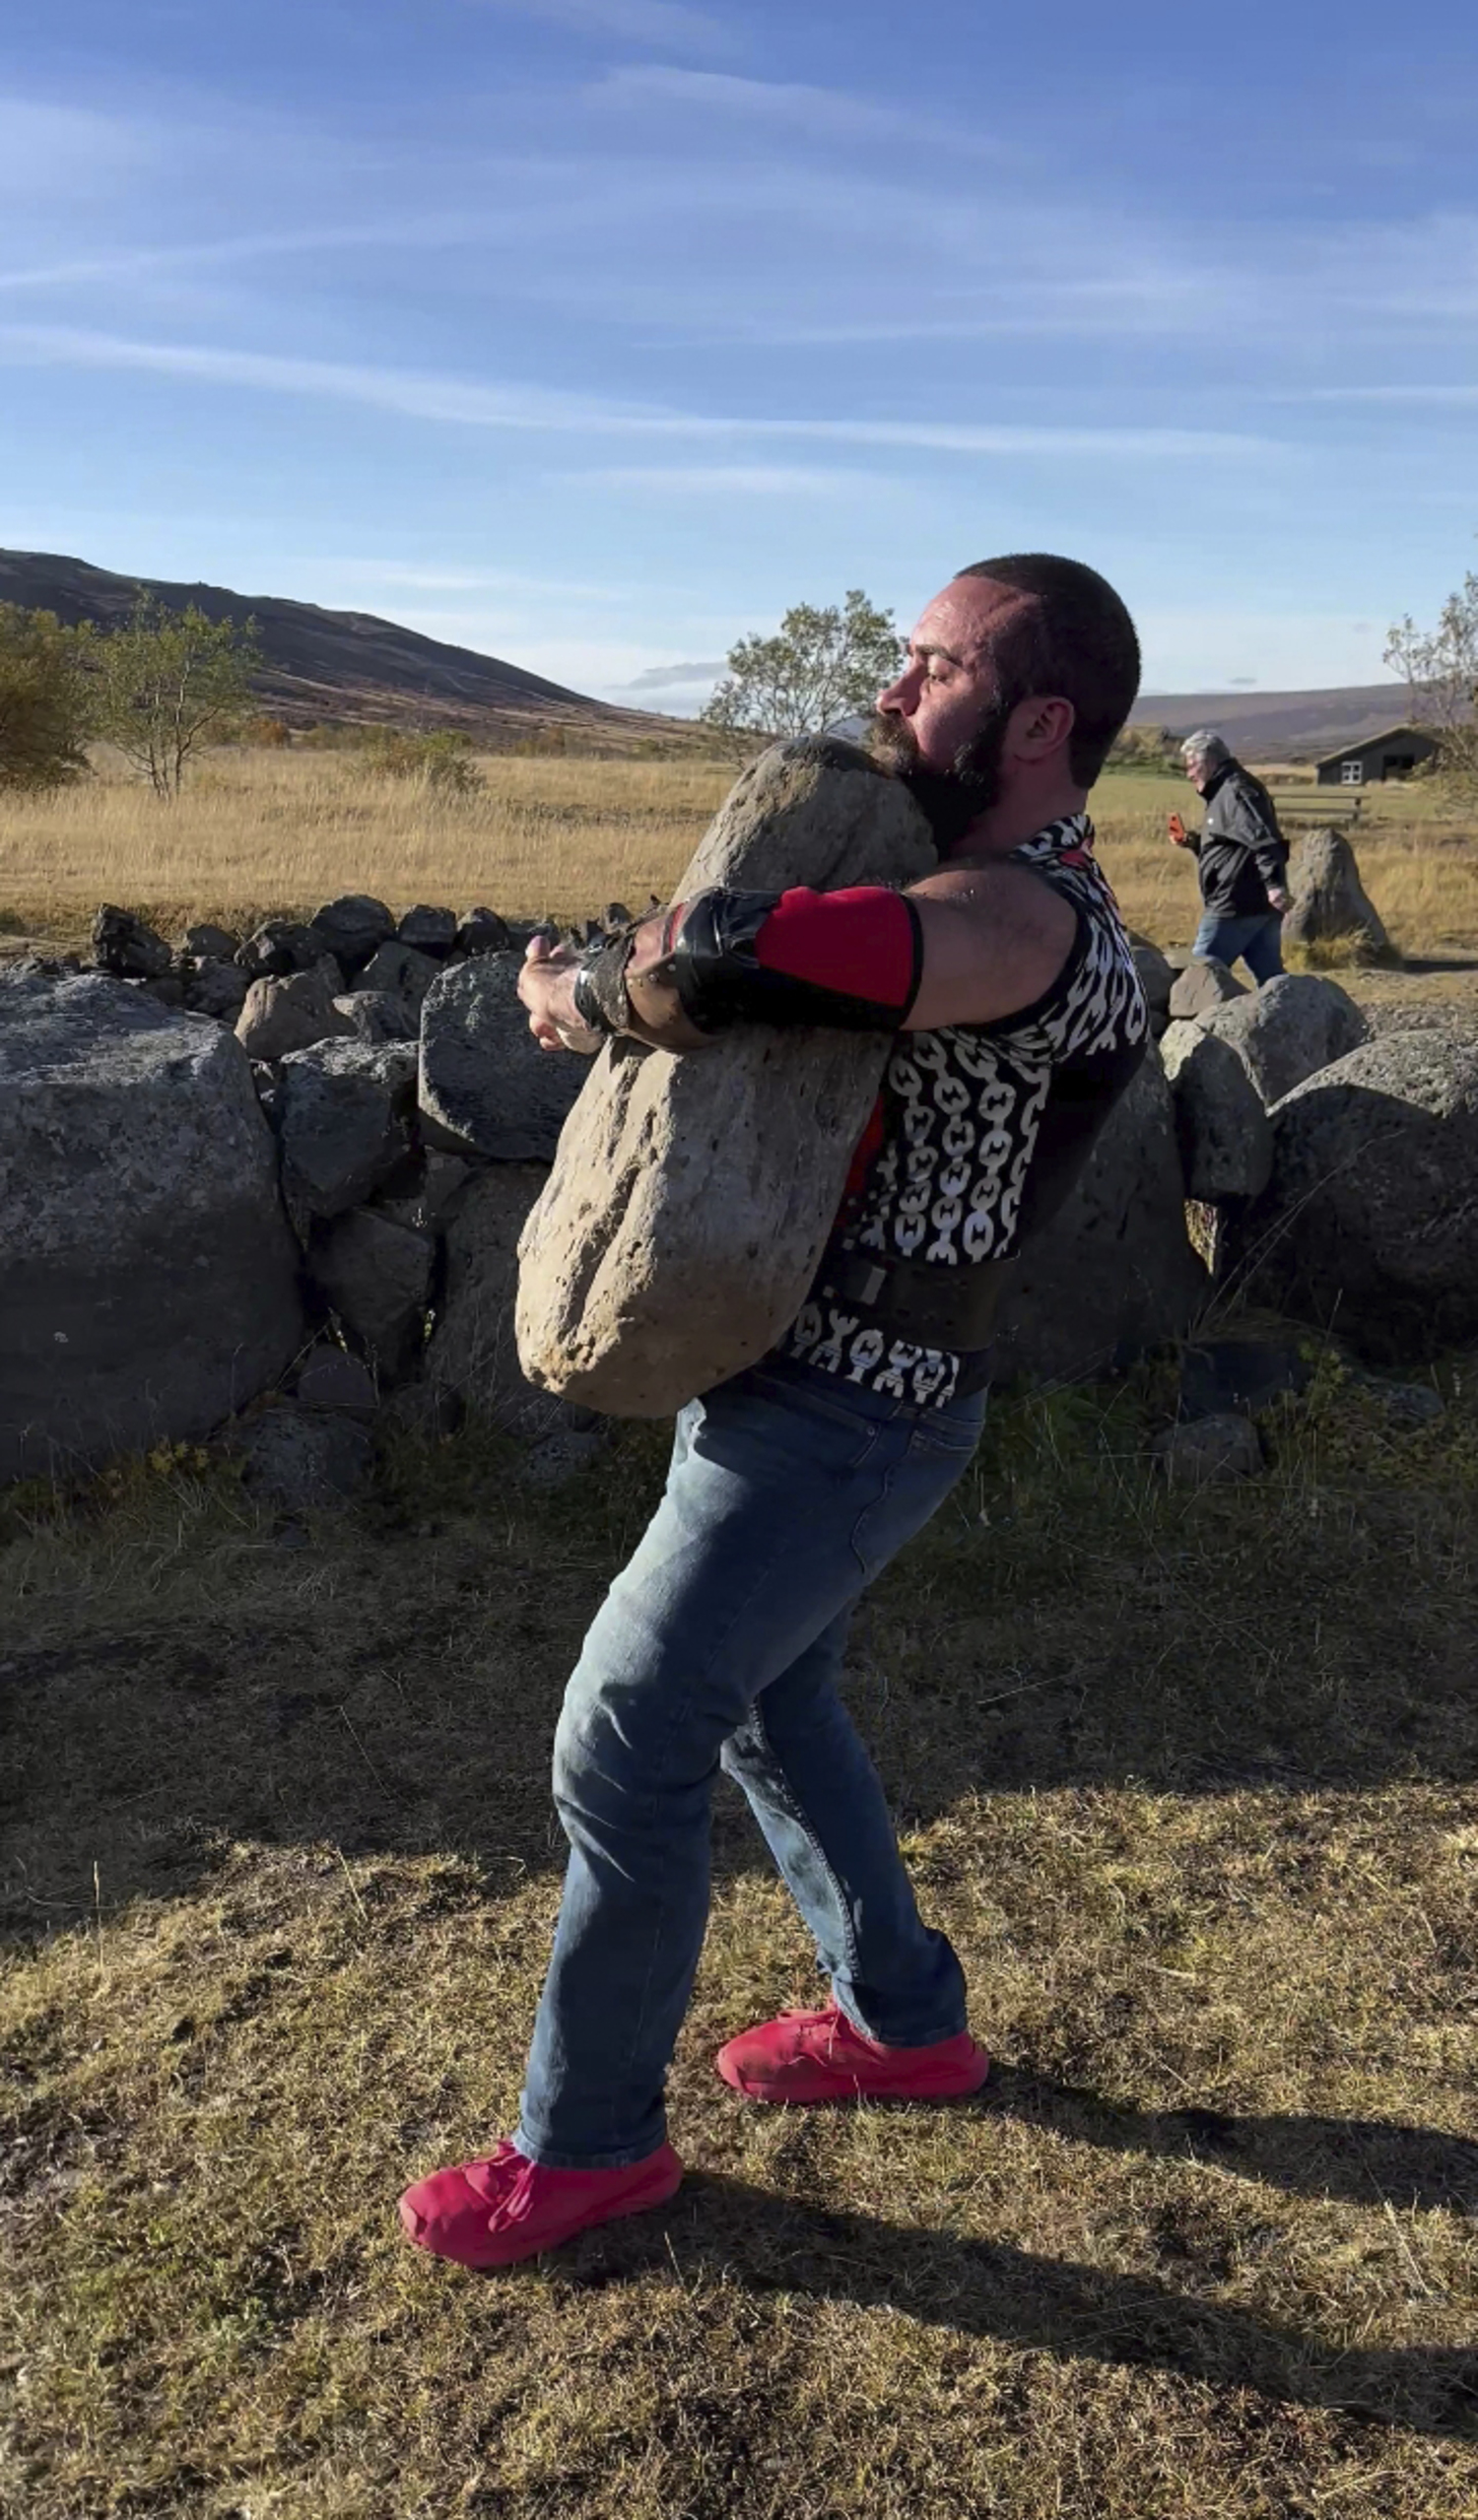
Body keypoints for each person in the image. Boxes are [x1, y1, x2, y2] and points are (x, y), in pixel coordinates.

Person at [398, 554, 1150, 2272]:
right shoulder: (980, 875)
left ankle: (582, 2146)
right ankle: (903, 2018)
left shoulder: (1032, 919)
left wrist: (588, 991)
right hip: (805, 1389)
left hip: (855, 1414)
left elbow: (768, 954)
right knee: (763, 1696)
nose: (893, 691)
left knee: (627, 1729)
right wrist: (625, 972)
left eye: (929, 665)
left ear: (1039, 720)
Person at [1170, 730, 1291, 985]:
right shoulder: (1224, 791)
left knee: (1197, 981)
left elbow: (1264, 836)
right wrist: (1193, 842)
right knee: (1273, 981)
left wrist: (1274, 885)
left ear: (1208, 762)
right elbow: (1232, 847)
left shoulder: (1236, 791)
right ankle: (1293, 1021)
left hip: (1236, 904)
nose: (1189, 774)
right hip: (1254, 905)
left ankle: (1194, 1025)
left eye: (1192, 766)